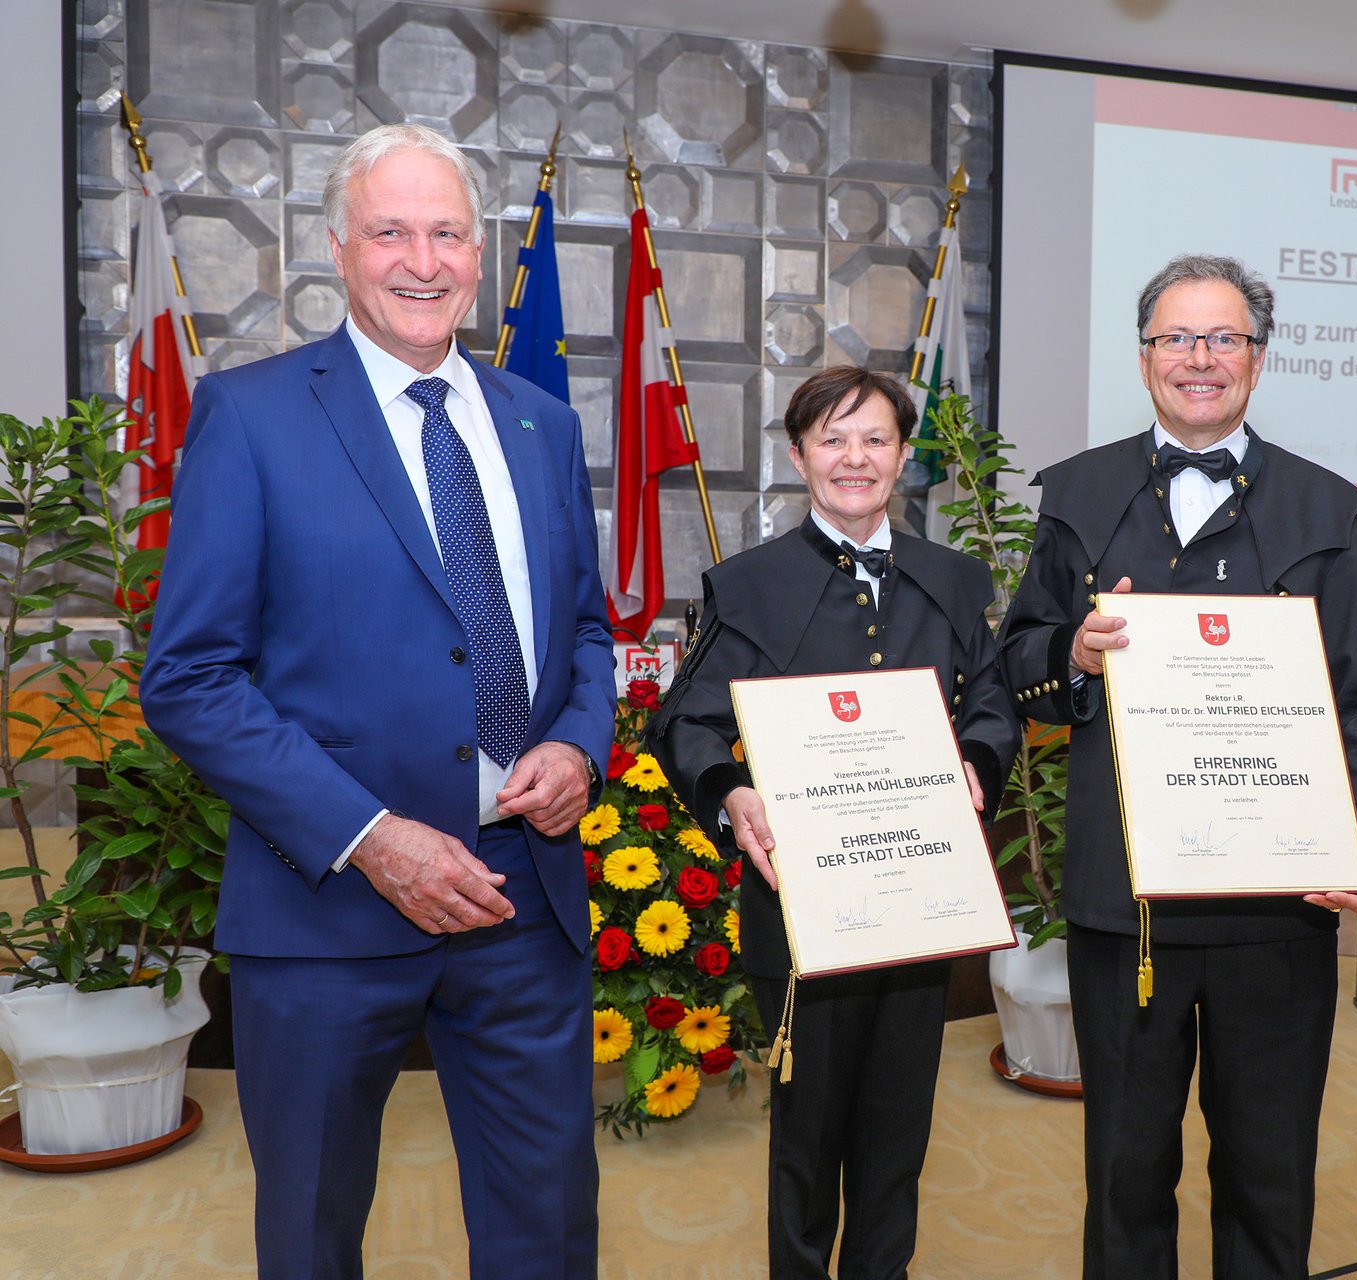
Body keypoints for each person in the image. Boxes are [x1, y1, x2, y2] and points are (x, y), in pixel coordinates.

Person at [142, 123, 613, 1280]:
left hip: (520, 901)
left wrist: (577, 742)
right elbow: (189, 675)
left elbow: (590, 632)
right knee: (310, 1233)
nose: (423, 258)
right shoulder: (252, 415)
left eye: (447, 231)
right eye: (392, 230)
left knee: (547, 1226)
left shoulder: (540, 425)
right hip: (327, 912)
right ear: (342, 250)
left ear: (479, 249)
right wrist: (369, 834)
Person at [999, 253, 1357, 1280]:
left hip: (1277, 908)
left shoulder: (1326, 512)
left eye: (1224, 338)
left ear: (1259, 357)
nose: (1201, 358)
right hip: (1127, 908)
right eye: (1177, 338)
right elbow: (1014, 665)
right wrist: (1072, 652)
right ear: (1144, 356)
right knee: (1124, 1174)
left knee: (1270, 1178)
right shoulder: (1078, 494)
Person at [647, 365, 1021, 1280]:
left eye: (876, 440)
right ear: (799, 454)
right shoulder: (746, 586)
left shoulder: (957, 579)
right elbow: (684, 720)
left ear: (903, 456)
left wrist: (974, 760)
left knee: (898, 1140)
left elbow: (994, 703)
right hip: (800, 913)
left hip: (922, 906)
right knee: (805, 1146)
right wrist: (732, 790)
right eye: (833, 440)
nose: (856, 459)